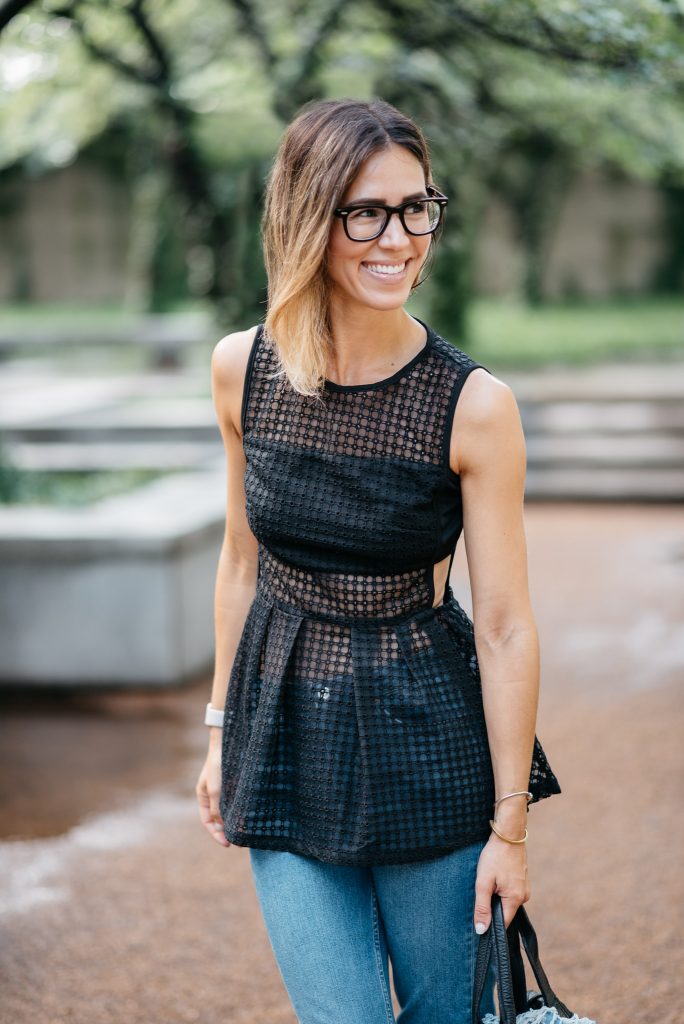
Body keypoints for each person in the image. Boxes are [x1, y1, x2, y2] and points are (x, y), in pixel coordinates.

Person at [195, 98, 561, 1024]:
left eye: (416, 208)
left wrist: (510, 828)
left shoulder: (475, 406)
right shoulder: (242, 368)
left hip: (430, 751)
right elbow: (241, 564)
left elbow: (509, 623)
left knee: (447, 1015)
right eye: (366, 212)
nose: (398, 239)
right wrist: (217, 731)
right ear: (306, 216)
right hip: (281, 740)